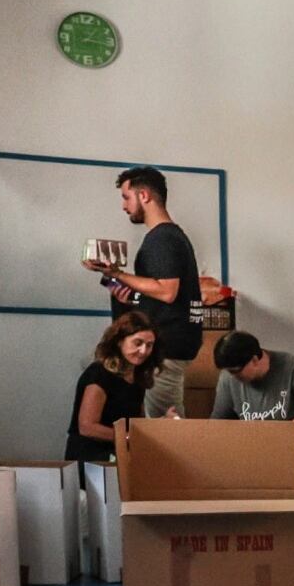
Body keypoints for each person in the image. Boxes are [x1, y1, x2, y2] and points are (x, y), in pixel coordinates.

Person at [80, 165, 202, 417]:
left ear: (144, 195)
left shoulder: (163, 238)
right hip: (163, 346)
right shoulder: (163, 238)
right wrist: (110, 279)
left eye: (126, 197)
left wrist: (118, 274)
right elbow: (148, 294)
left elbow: (167, 291)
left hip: (166, 348)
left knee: (164, 429)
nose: (124, 206)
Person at [210, 331, 294, 464]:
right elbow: (218, 423)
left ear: (254, 360)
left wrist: (288, 430)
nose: (233, 376)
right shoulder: (229, 379)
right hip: (262, 439)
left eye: (236, 371)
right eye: (228, 371)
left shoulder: (290, 367)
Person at [65, 311, 158, 462]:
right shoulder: (99, 373)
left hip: (118, 452)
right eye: (137, 343)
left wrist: (161, 423)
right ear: (120, 341)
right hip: (91, 456)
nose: (143, 351)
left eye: (149, 345)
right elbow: (87, 426)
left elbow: (135, 422)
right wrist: (127, 437)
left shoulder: (138, 376)